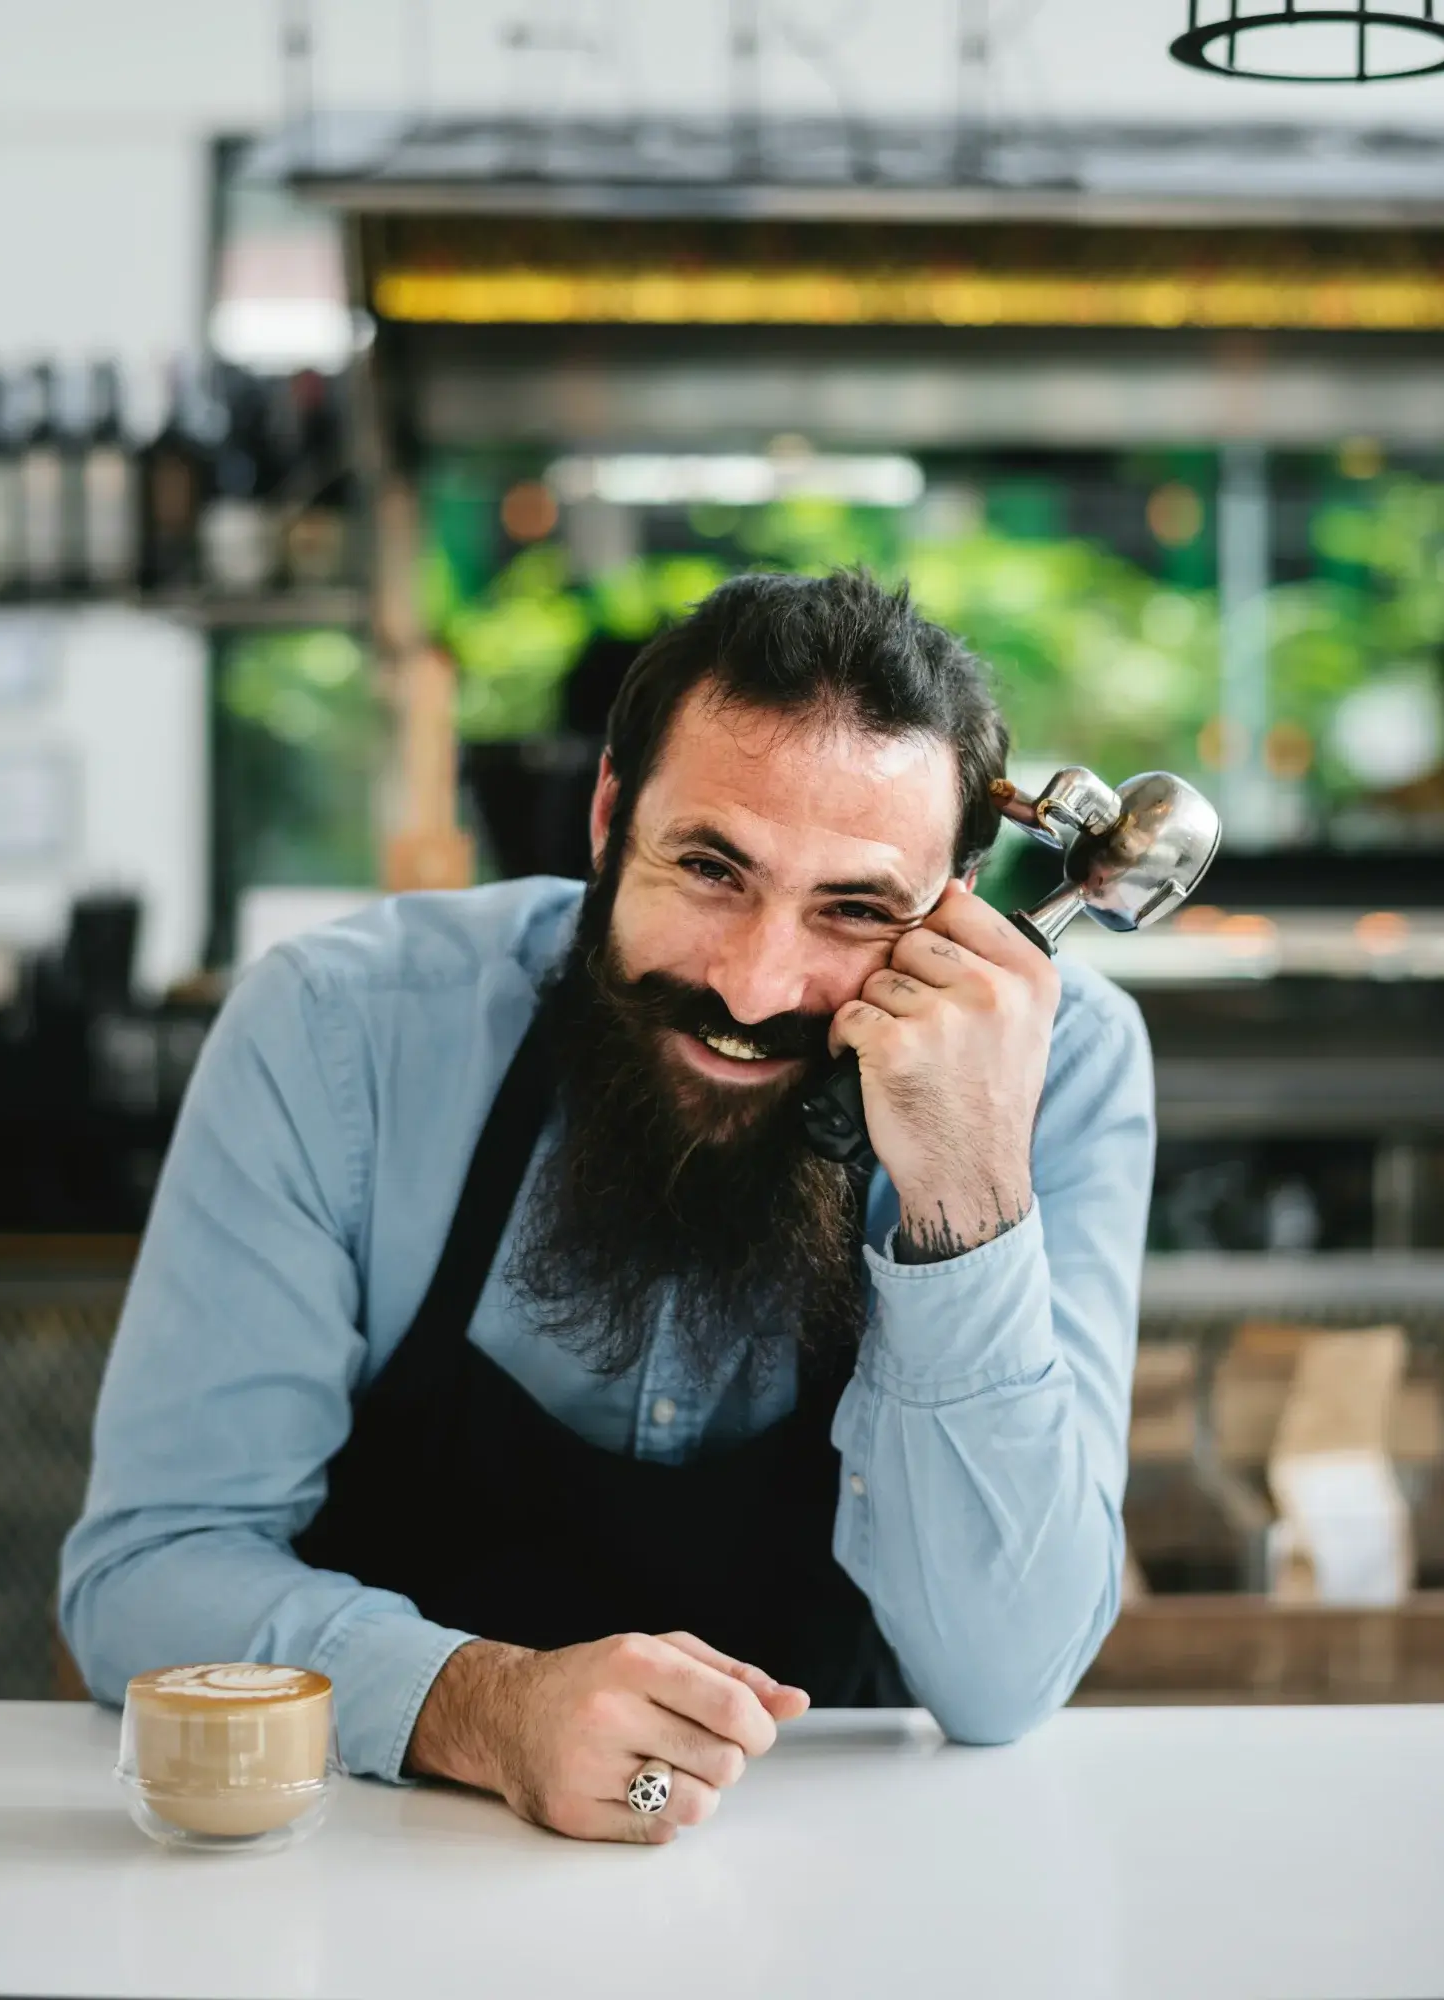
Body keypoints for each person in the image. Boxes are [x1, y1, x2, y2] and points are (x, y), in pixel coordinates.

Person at [62, 569, 1153, 1845]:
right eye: (709, 867)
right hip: (378, 1869)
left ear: (954, 911)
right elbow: (146, 1576)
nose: (754, 986)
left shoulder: (1055, 1072)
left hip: (858, 1888)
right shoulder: (341, 1031)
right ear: (605, 817)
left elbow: (1004, 1680)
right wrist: (478, 1704)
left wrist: (965, 1189)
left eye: (856, 909)